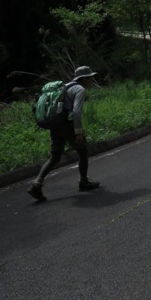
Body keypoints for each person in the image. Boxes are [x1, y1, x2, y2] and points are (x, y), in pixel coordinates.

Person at [27, 66, 100, 202]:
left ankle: (37, 184)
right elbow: (76, 112)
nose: (92, 80)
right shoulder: (79, 89)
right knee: (82, 151)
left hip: (56, 125)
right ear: (84, 79)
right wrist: (78, 132)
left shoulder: (64, 86)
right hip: (68, 125)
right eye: (90, 78)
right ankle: (84, 182)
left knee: (54, 157)